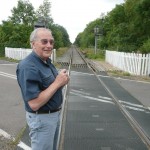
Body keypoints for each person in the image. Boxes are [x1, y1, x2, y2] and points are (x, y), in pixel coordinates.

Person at [16, 28, 69, 150]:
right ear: (33, 44)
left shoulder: (45, 61)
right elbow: (34, 104)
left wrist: (62, 80)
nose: (49, 45)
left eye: (51, 42)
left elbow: (51, 87)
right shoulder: (28, 66)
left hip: (52, 116)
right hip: (42, 119)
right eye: (44, 42)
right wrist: (57, 82)